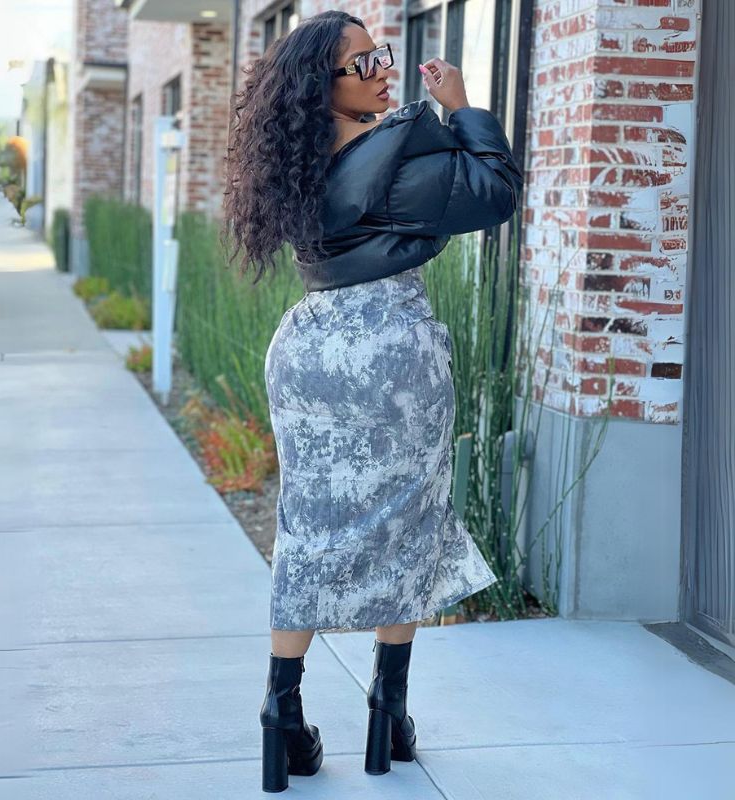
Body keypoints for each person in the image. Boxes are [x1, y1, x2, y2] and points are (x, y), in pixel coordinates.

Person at [221, 10, 524, 793]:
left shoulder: (291, 164)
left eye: (381, 54)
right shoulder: (399, 153)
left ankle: (281, 713)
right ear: (321, 86)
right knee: (409, 525)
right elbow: (494, 193)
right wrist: (462, 109)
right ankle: (388, 712)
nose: (384, 69)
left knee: (306, 528)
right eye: (363, 63)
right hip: (390, 350)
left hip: (307, 350)